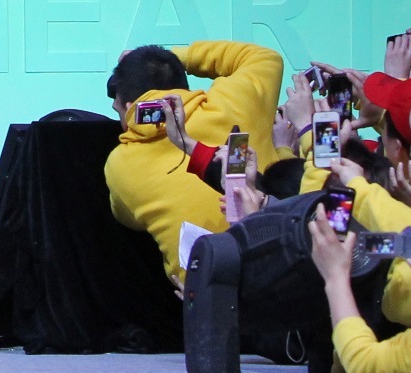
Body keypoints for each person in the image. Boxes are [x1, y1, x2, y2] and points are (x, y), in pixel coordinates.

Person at [102, 40, 286, 286]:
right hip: (285, 264)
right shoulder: (236, 102)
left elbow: (127, 219)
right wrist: (174, 58)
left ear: (129, 107)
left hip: (209, 292)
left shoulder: (118, 165)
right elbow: (265, 57)